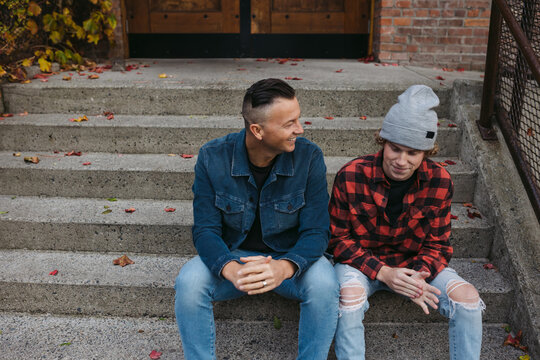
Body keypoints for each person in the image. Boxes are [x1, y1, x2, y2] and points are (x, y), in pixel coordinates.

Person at [174, 78, 339, 360]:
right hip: (235, 258)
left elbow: (316, 231)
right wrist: (228, 267)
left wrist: (285, 267)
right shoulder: (213, 157)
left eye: (298, 120)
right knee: (189, 283)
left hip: (290, 257)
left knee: (325, 284)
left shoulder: (309, 156)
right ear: (257, 130)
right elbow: (205, 231)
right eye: (289, 123)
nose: (299, 129)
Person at [328, 85, 484, 359]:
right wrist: (384, 272)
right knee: (349, 297)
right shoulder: (351, 175)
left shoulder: (440, 182)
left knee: (469, 300)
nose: (401, 161)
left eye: (412, 152)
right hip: (362, 265)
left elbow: (438, 245)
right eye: (395, 148)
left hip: (415, 267)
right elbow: (338, 240)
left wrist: (419, 277)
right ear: (382, 141)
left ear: (427, 152)